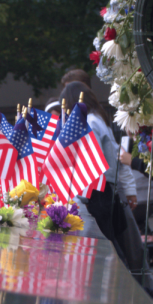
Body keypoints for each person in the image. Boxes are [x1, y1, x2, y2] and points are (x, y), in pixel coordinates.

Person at [59, 82, 136, 271]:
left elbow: (90, 164)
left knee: (108, 246)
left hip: (97, 190)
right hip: (106, 188)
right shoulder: (99, 119)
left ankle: (124, 287)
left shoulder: (89, 122)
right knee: (114, 244)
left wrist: (80, 198)